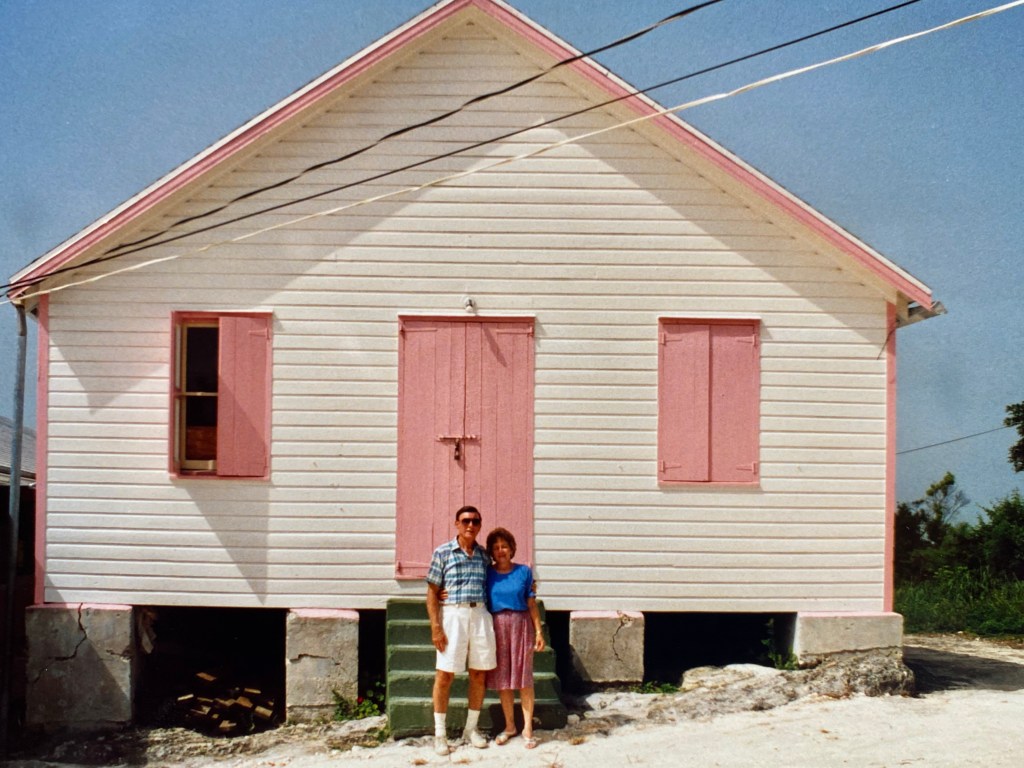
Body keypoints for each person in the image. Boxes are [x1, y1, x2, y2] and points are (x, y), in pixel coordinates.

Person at [425, 505, 496, 756]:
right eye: (465, 521)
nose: (470, 525)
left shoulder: (484, 556)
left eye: (475, 521)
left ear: (480, 525)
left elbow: (502, 574)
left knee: (478, 674)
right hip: (453, 615)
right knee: (445, 674)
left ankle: (470, 729)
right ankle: (440, 734)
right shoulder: (442, 552)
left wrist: (529, 583)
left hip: (480, 615)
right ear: (456, 524)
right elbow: (432, 593)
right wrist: (436, 627)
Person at [484, 526, 545, 749]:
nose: (501, 550)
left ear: (512, 549)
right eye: (496, 547)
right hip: (496, 625)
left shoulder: (524, 572)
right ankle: (510, 726)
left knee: (524, 678)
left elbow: (531, 604)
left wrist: (539, 631)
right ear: (491, 552)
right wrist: (443, 592)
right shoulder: (487, 573)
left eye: (504, 546)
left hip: (521, 625)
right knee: (503, 680)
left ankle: (527, 728)